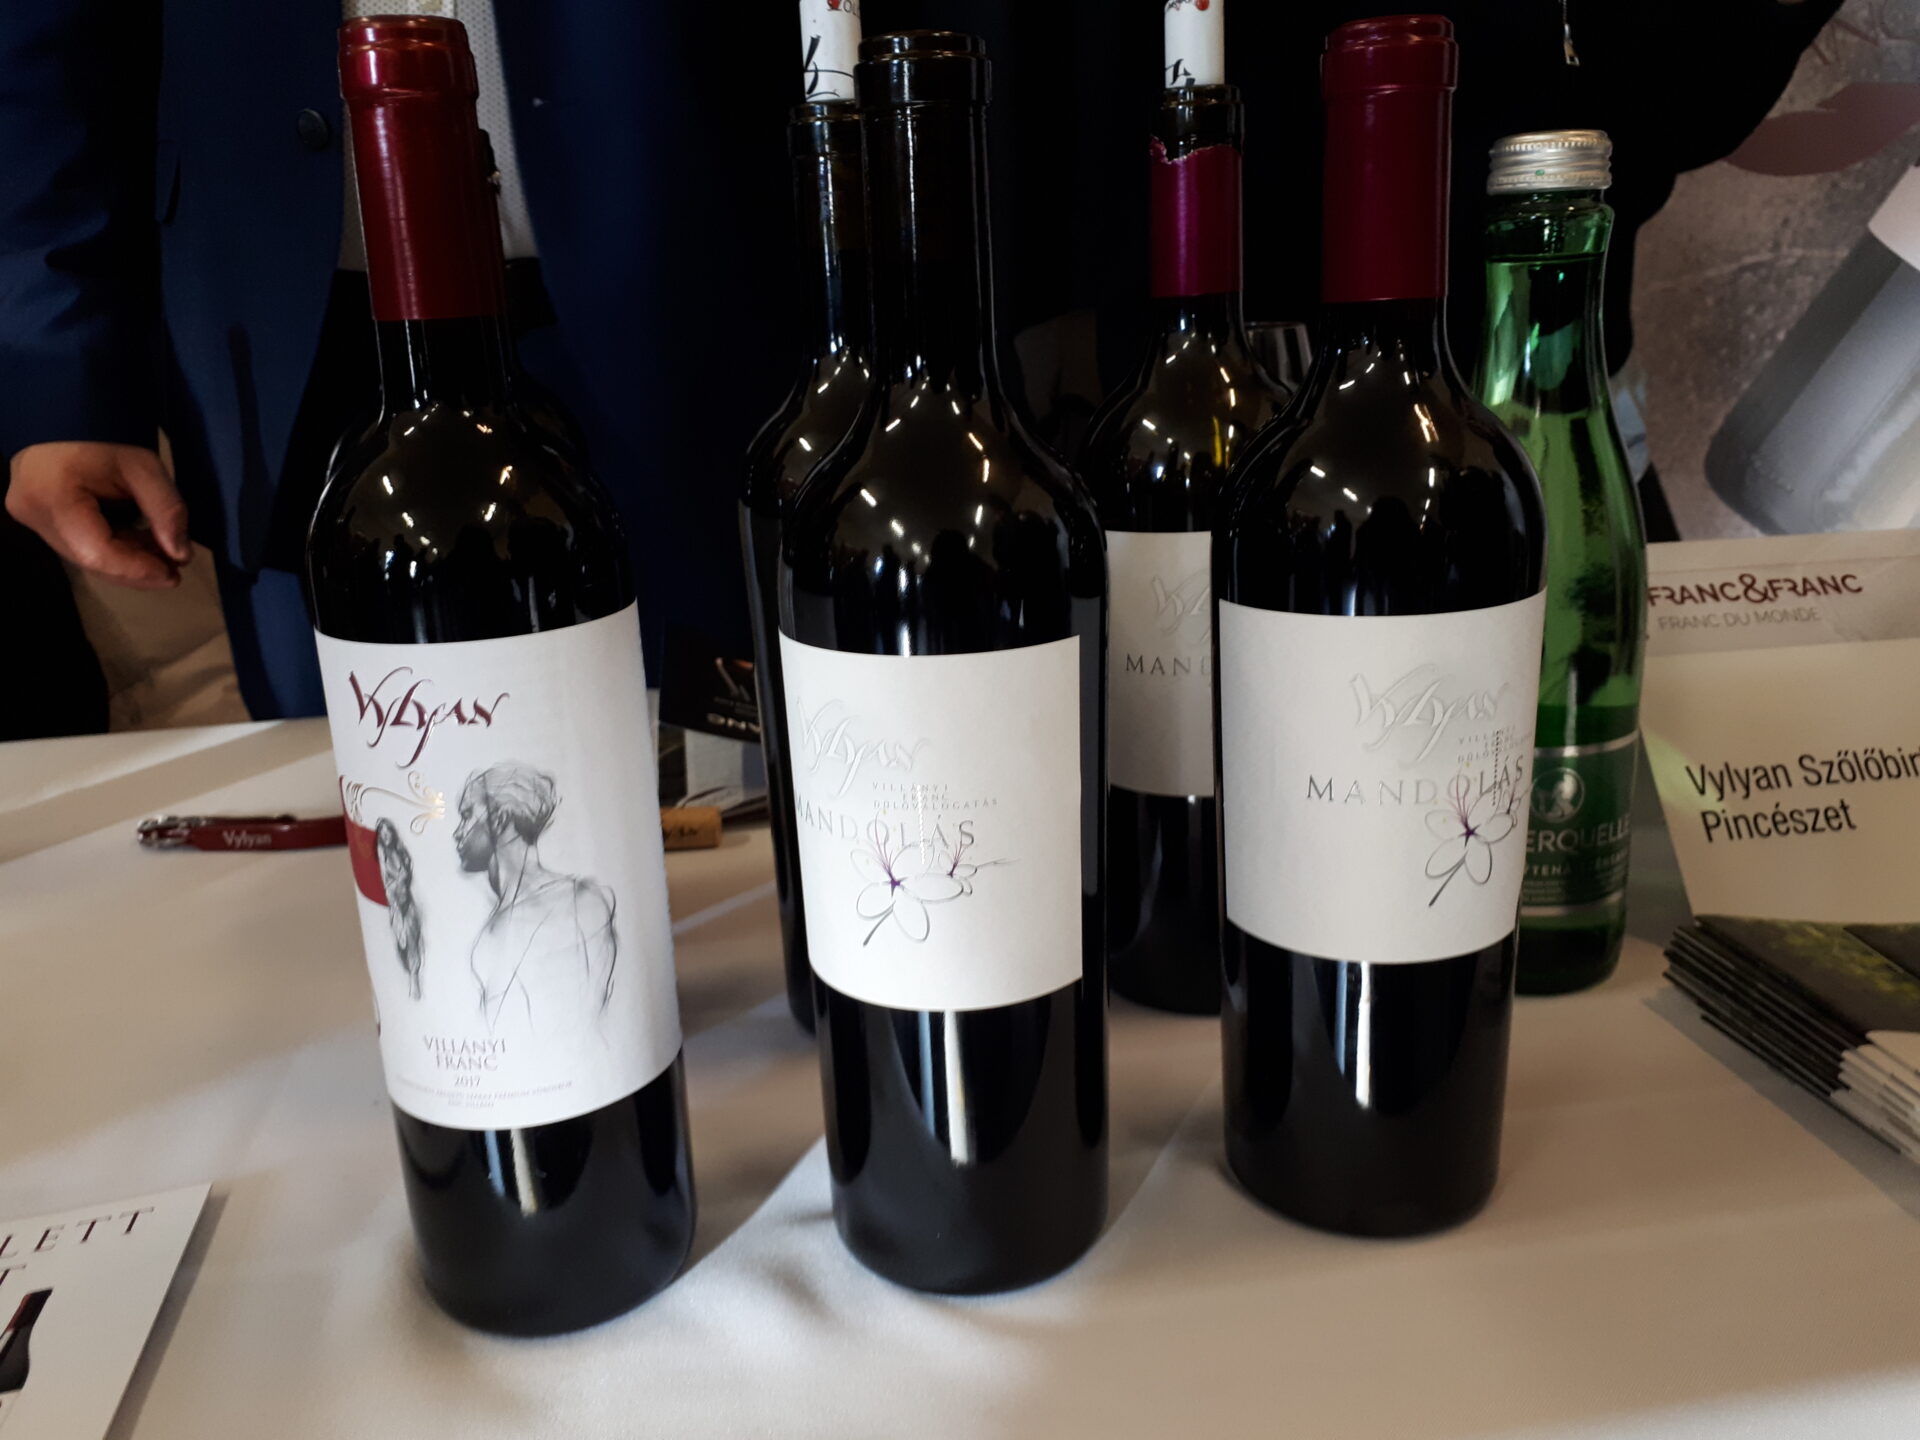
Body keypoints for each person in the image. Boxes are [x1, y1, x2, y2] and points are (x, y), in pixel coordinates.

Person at [0, 1, 791, 721]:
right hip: (295, 350)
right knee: (373, 800)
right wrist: (65, 376)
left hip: (694, 294)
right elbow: (46, 54)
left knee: (734, 784)